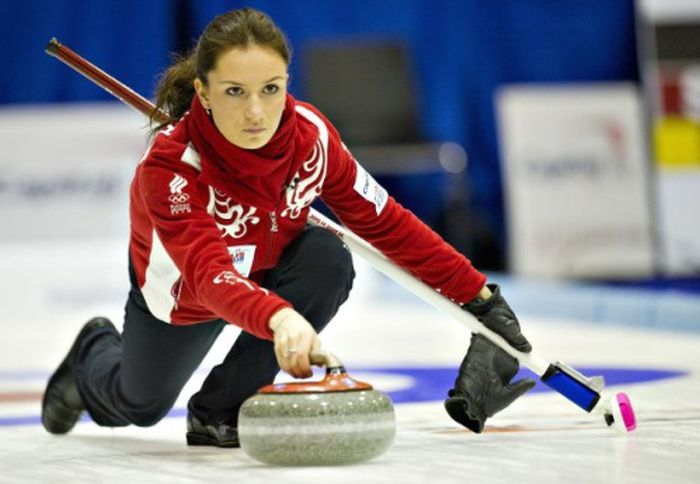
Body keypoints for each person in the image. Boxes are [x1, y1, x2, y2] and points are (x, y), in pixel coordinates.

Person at [41, 7, 535, 446]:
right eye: (235, 92)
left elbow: (384, 221)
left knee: (328, 260)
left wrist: (479, 296)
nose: (256, 112)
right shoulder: (171, 167)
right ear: (204, 92)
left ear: (287, 84)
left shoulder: (312, 138)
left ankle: (220, 412)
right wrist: (280, 318)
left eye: (270, 90)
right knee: (139, 407)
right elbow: (208, 276)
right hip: (186, 295)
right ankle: (91, 358)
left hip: (265, 271)